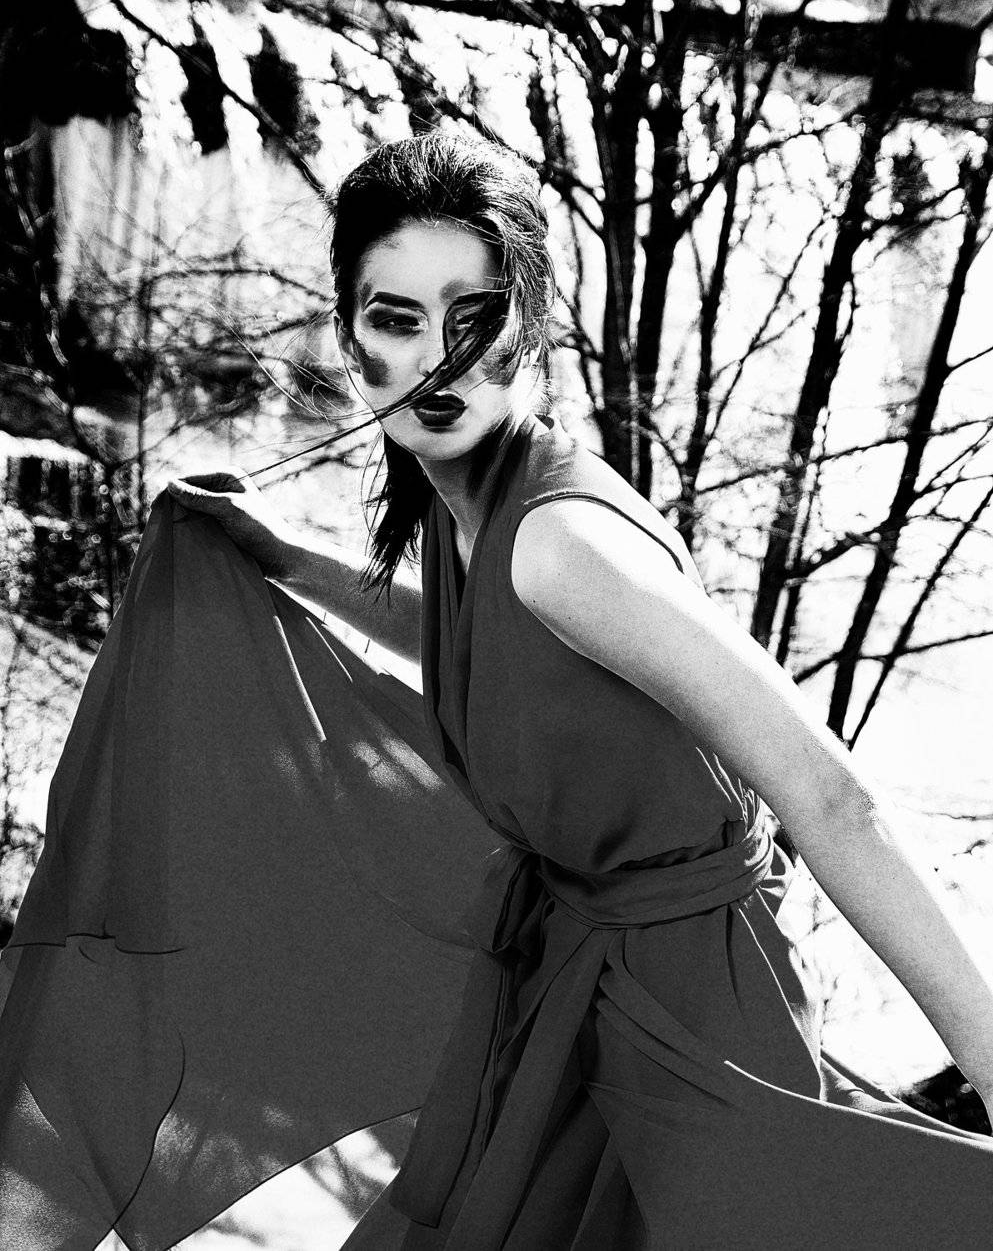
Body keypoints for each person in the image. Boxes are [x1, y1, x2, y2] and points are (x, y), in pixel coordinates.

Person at [1, 128, 990, 1251]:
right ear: (346, 333)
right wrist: (292, 560)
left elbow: (831, 795)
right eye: (397, 318)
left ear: (531, 326)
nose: (438, 361)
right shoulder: (477, 513)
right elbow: (501, 658)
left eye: (474, 319)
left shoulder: (562, 545)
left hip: (690, 1021)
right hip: (578, 989)